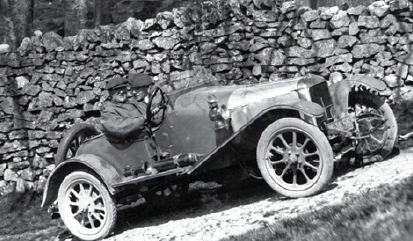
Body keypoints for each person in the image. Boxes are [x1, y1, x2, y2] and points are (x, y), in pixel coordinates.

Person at [100, 76, 149, 143]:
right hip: (133, 146)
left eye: (123, 88)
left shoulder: (136, 102)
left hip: (151, 138)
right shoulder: (108, 111)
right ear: (110, 93)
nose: (121, 92)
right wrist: (142, 119)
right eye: (117, 89)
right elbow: (118, 127)